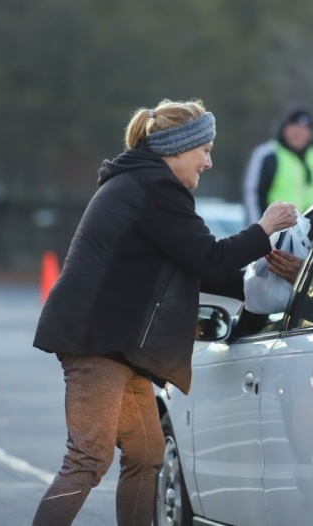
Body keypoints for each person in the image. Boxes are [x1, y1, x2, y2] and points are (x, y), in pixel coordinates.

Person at [30, 98, 297, 526]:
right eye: (204, 150)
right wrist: (264, 230)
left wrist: (262, 274)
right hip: (96, 342)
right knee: (88, 457)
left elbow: (195, 266)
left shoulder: (145, 183)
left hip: (117, 347)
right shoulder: (155, 188)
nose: (208, 162)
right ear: (178, 147)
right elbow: (207, 258)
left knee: (147, 454)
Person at [242, 107, 313, 223]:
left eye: (304, 129)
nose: (299, 133)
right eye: (294, 128)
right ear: (284, 129)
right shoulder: (268, 155)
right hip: (275, 233)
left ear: (311, 133)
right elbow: (252, 194)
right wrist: (257, 230)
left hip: (312, 233)